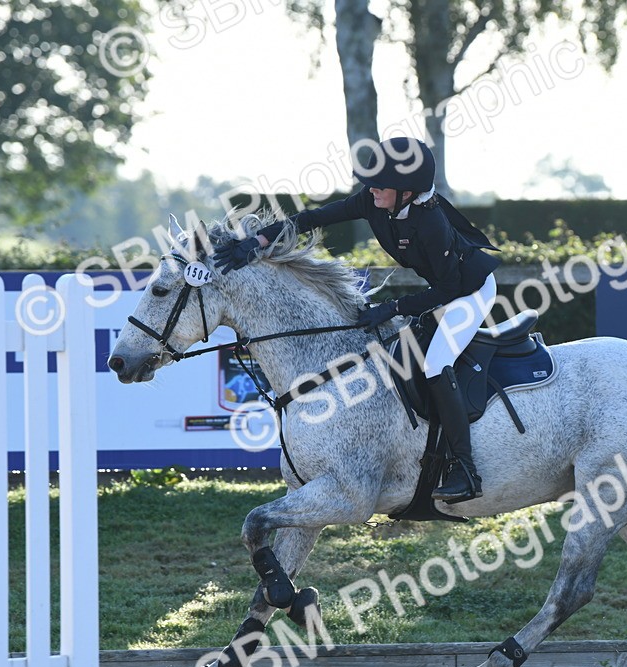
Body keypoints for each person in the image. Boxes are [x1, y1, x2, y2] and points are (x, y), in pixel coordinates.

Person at [213, 137, 499, 504]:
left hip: (470, 292)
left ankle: (465, 469)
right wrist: (261, 239)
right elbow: (313, 217)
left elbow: (450, 288)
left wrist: (394, 307)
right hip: (444, 287)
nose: (372, 188)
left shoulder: (432, 224)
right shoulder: (374, 201)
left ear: (408, 192)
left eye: (381, 183)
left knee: (436, 364)